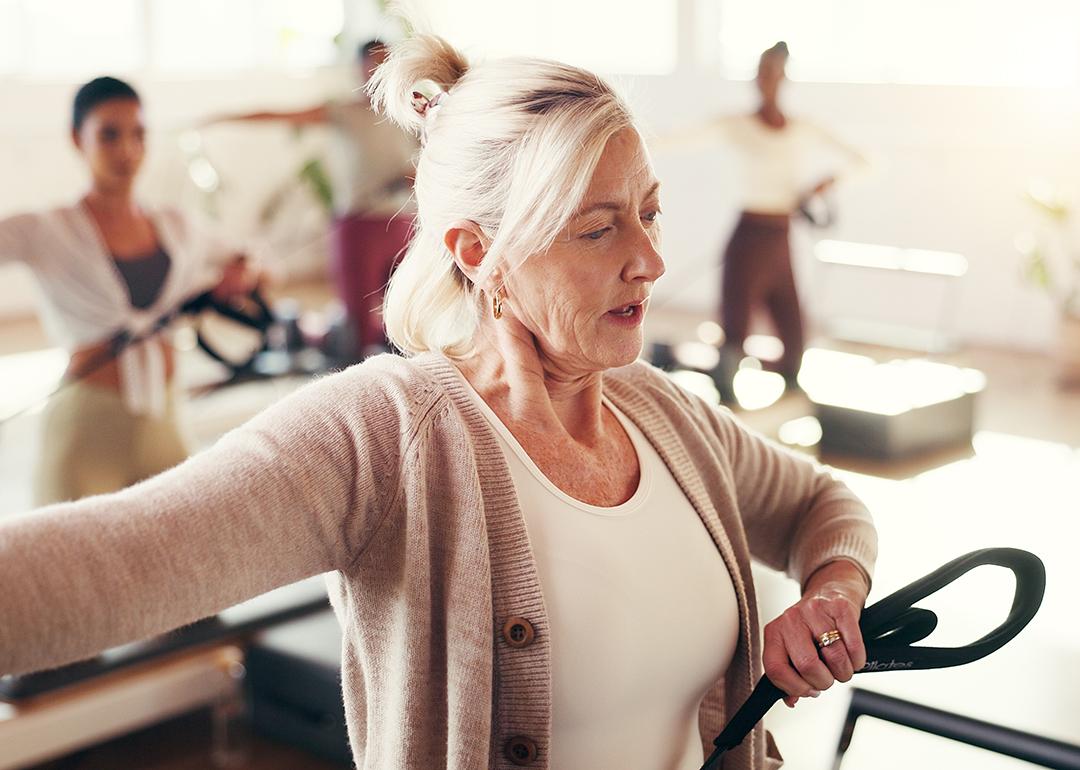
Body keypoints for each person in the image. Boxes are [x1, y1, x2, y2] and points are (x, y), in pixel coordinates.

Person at [0, 32, 877, 770]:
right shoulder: (385, 436)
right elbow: (111, 564)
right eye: (598, 227)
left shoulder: (663, 413)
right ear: (477, 250)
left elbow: (822, 506)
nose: (649, 259)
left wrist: (833, 590)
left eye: (649, 213)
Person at [0, 76, 260, 505]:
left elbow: (250, 259)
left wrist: (238, 276)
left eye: (138, 134)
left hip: (165, 423)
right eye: (109, 135)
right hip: (87, 430)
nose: (127, 150)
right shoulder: (47, 229)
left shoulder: (176, 225)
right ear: (76, 138)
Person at [666, 42, 867, 401]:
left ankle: (785, 389)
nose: (765, 80)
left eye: (772, 72)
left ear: (784, 77)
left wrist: (827, 183)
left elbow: (863, 161)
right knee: (735, 333)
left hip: (781, 239)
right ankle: (722, 394)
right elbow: (674, 140)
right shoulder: (737, 125)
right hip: (749, 238)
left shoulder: (802, 128)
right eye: (760, 72)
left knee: (794, 337)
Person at [206, 40, 418, 356]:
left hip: (400, 222)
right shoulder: (344, 112)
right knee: (357, 325)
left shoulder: (409, 114)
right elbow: (280, 115)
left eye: (385, 64)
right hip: (358, 224)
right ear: (360, 69)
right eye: (373, 64)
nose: (379, 71)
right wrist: (224, 118)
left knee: (406, 315)